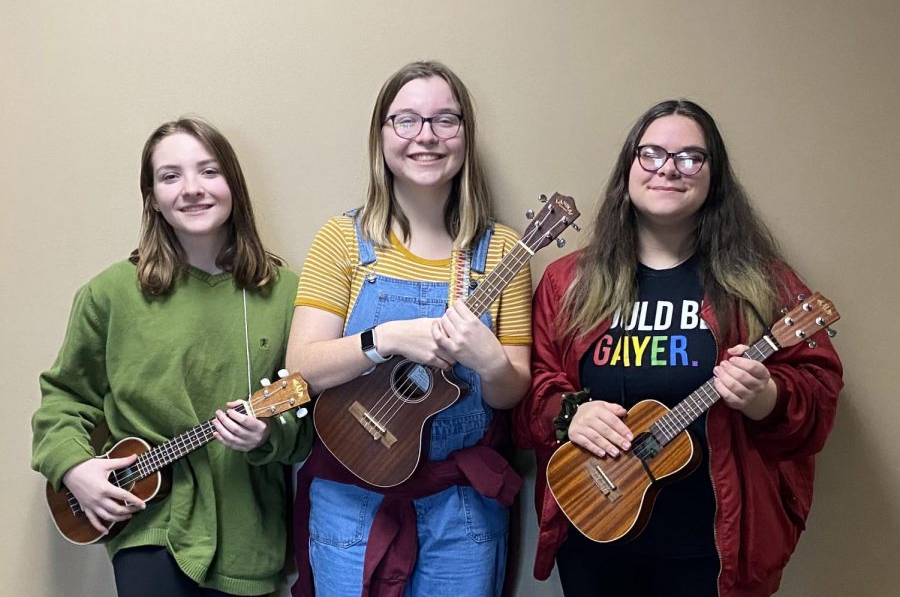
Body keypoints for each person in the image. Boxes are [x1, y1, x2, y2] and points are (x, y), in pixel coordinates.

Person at [512, 100, 843, 597]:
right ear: (629, 167)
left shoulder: (761, 282)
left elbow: (819, 395)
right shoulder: (568, 282)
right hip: (593, 531)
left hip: (713, 547)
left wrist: (768, 398)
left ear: (714, 177)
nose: (668, 168)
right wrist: (568, 414)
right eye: (651, 154)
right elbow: (527, 389)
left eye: (691, 157)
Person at [31, 116, 312, 597]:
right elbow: (63, 399)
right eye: (170, 176)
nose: (192, 189)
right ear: (152, 197)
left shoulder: (287, 294)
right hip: (149, 528)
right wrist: (74, 468)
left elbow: (306, 428)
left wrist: (267, 434)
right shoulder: (109, 294)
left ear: (234, 186)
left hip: (250, 534)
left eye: (209, 171)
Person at [287, 60, 532, 597]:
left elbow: (513, 389)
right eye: (406, 121)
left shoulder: (507, 252)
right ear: (381, 136)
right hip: (350, 502)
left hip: (461, 510)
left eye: (445, 120)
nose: (426, 136)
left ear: (466, 135)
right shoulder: (343, 240)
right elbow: (303, 365)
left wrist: (490, 359)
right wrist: (385, 340)